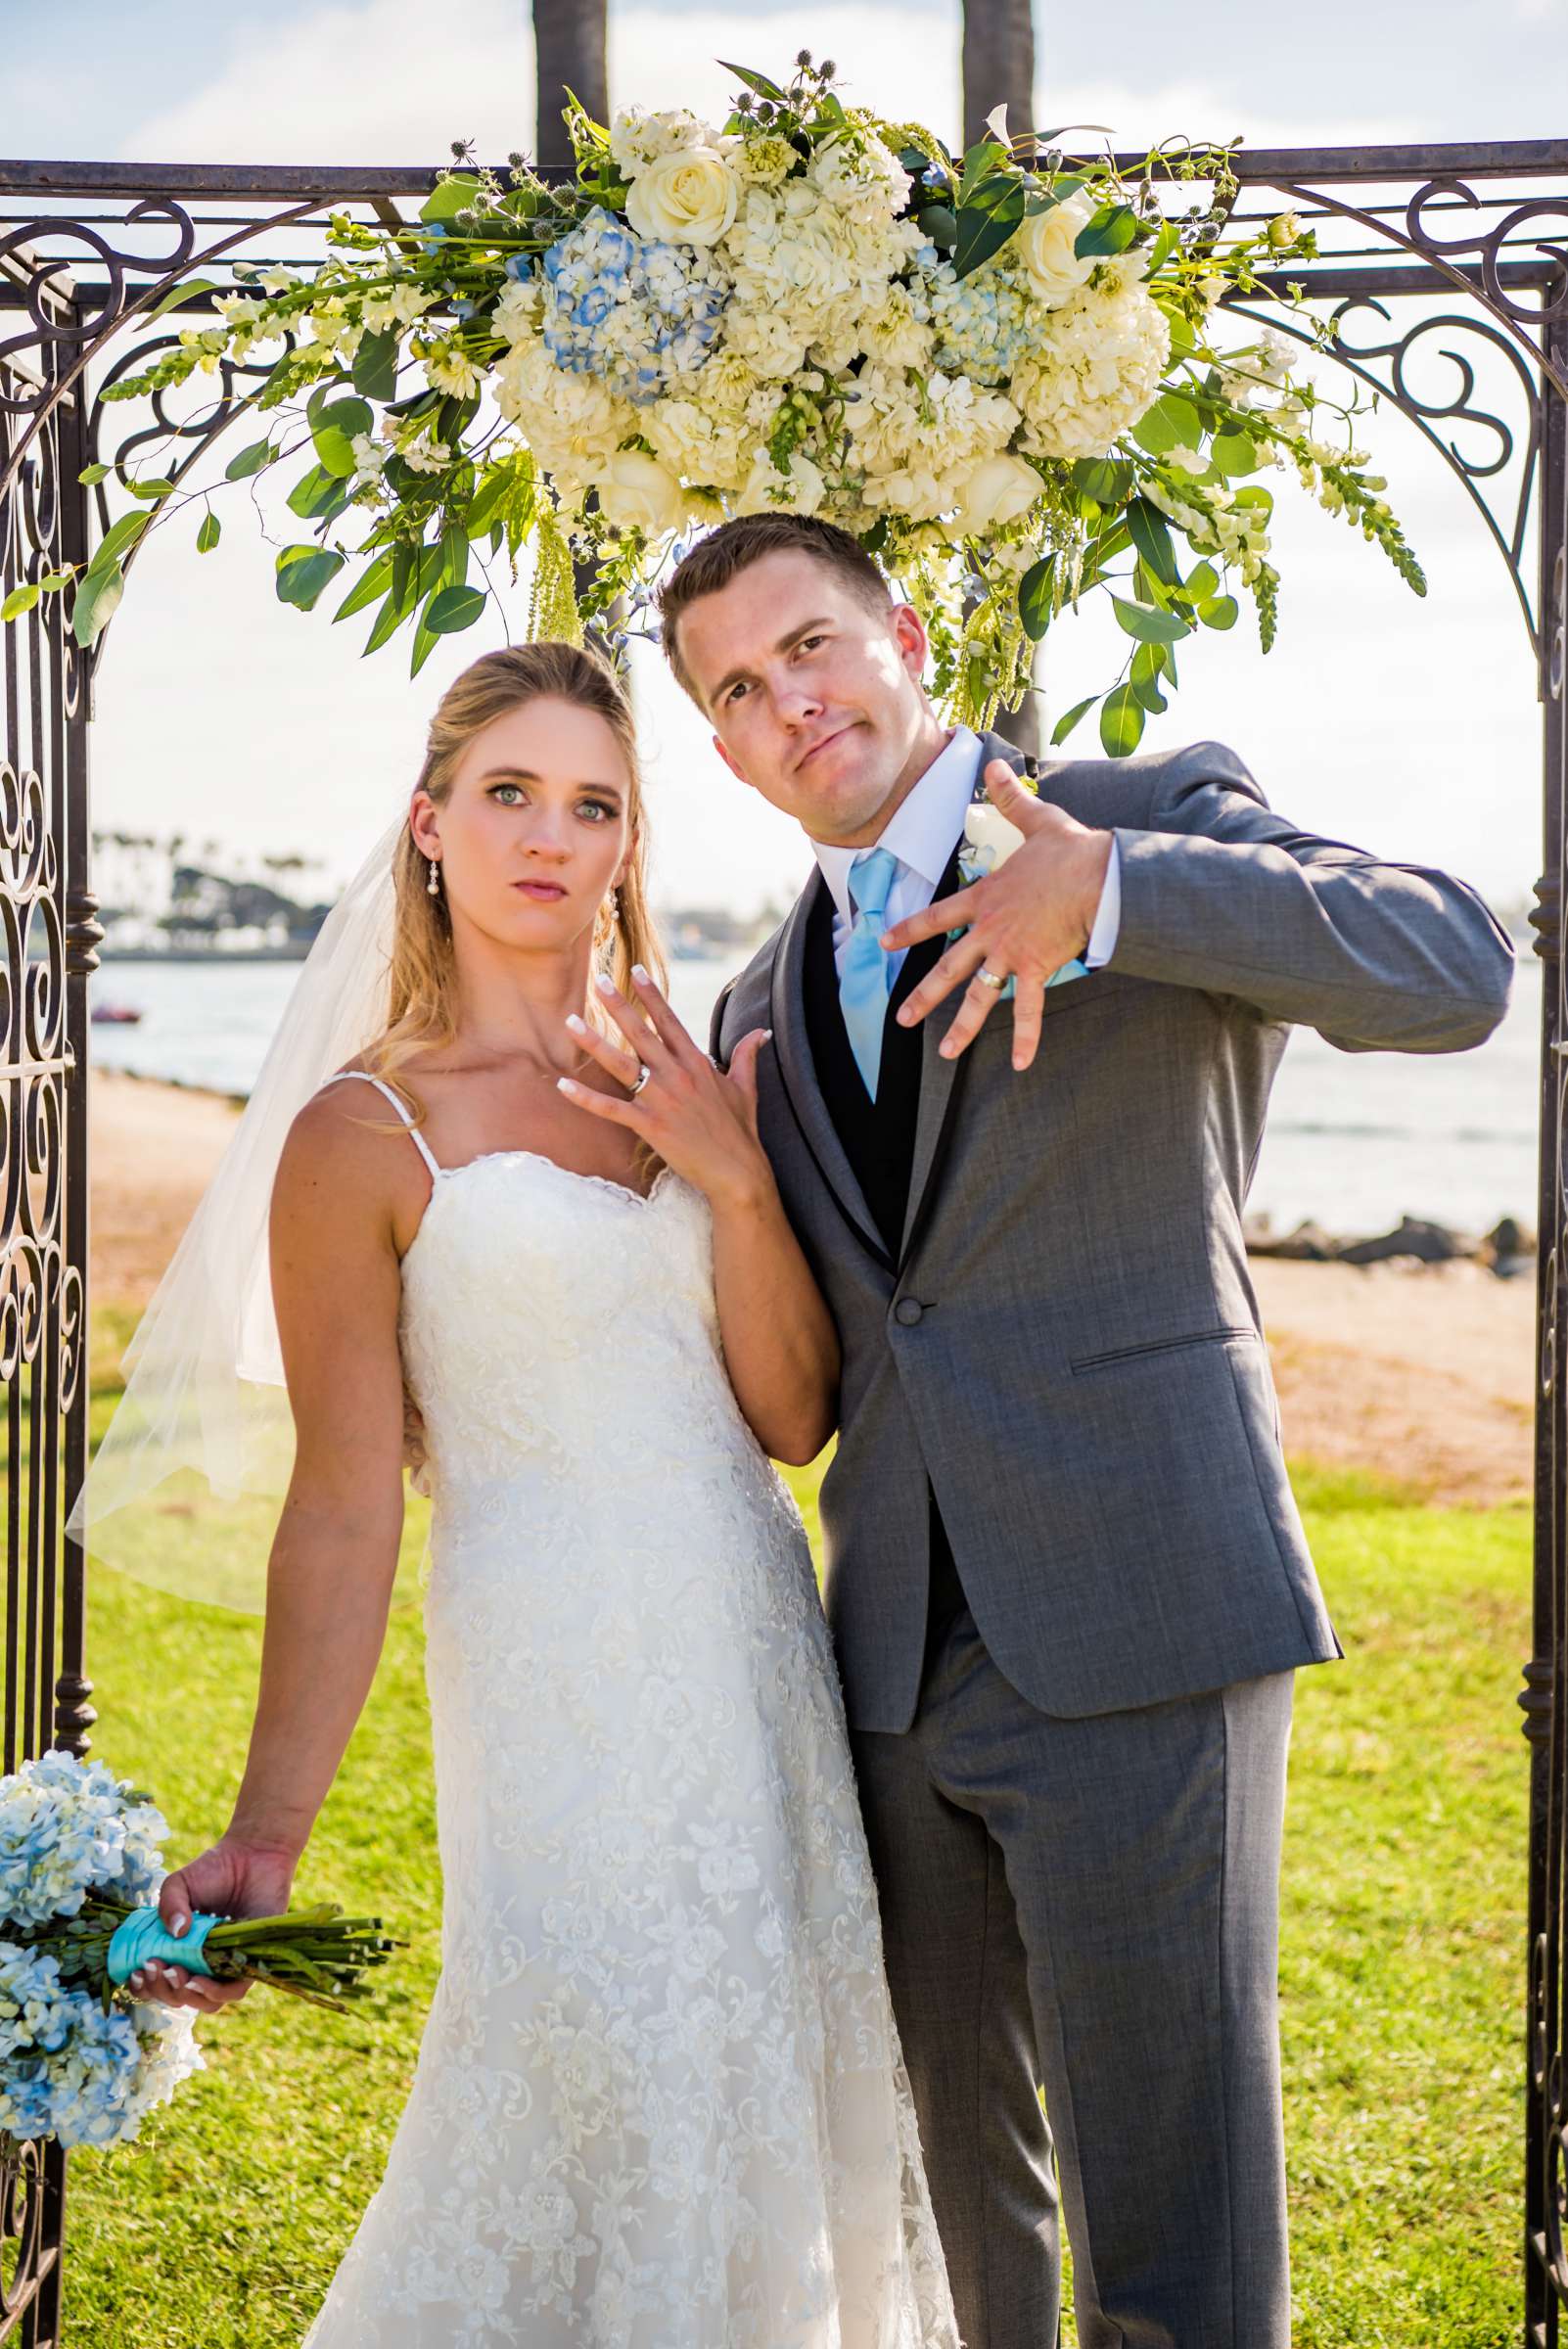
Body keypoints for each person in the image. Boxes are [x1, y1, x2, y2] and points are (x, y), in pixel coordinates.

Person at [662, 511, 1518, 2349]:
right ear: (720, 748)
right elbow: (837, 1356)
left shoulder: (1147, 811)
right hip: (888, 1658)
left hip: (1143, 1606)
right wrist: (732, 1191)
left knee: (1172, 2224)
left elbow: (1455, 969)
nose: (786, 699)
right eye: (735, 688)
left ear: (900, 628)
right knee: (965, 2222)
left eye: (808, 644)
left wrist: (1114, 891)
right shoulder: (756, 1004)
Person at [117, 640, 959, 2347]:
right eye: (509, 794)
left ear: (631, 844)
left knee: (770, 2066)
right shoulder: (364, 1133)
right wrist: (271, 1828)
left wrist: (728, 1179)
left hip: (751, 1649)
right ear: (428, 825)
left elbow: (790, 1417)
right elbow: (347, 1505)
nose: (549, 838)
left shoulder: (692, 1066)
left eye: (594, 805)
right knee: (592, 2044)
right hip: (549, 1668)